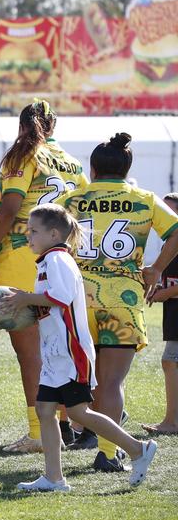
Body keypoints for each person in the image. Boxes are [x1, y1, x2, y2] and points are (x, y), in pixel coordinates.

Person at [4, 204, 158, 491]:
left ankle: (138, 449)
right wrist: (17, 313)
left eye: (34, 231)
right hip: (56, 353)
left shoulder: (58, 260)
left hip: (70, 351)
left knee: (78, 413)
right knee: (45, 409)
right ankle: (54, 478)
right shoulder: (48, 260)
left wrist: (26, 298)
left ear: (53, 234)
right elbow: (51, 308)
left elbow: (60, 297)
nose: (29, 237)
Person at [55, 133, 178, 471]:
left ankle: (63, 439)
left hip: (78, 299)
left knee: (75, 379)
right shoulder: (144, 198)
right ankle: (107, 453)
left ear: (92, 169)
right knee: (111, 383)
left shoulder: (72, 198)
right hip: (122, 300)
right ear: (127, 169)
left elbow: (42, 236)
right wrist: (155, 269)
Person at [0, 99, 86, 452]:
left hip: (25, 254)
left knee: (30, 352)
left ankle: (40, 432)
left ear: (22, 127)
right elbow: (78, 212)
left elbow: (8, 208)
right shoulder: (70, 161)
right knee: (58, 344)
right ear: (53, 127)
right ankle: (64, 426)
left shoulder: (23, 155)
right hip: (63, 256)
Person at [144, 192, 178, 436]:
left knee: (171, 361)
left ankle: (171, 422)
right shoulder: (169, 244)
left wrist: (165, 294)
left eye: (170, 211)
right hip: (173, 314)